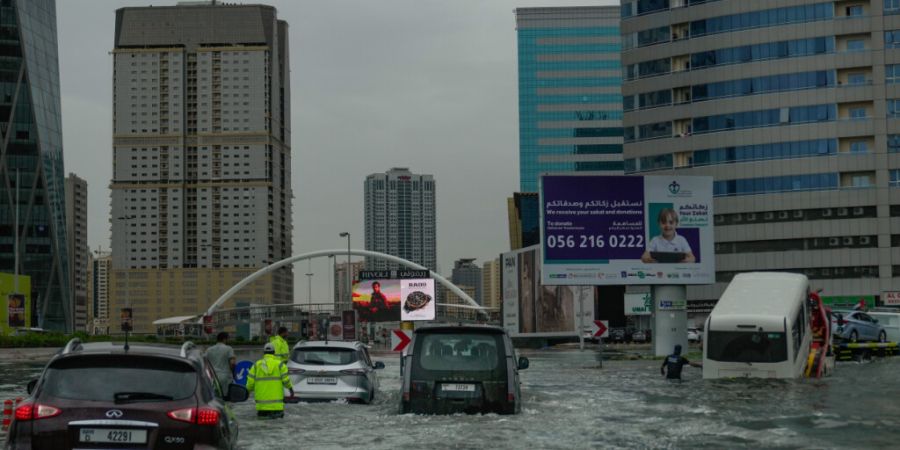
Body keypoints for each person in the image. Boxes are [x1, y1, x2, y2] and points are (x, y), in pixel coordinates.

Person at [247, 342, 294, 419]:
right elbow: (286, 380)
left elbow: (250, 384)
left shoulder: (256, 365)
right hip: (277, 407)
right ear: (274, 352)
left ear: (264, 353)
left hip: (261, 407)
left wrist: (246, 393)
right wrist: (291, 389)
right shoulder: (280, 365)